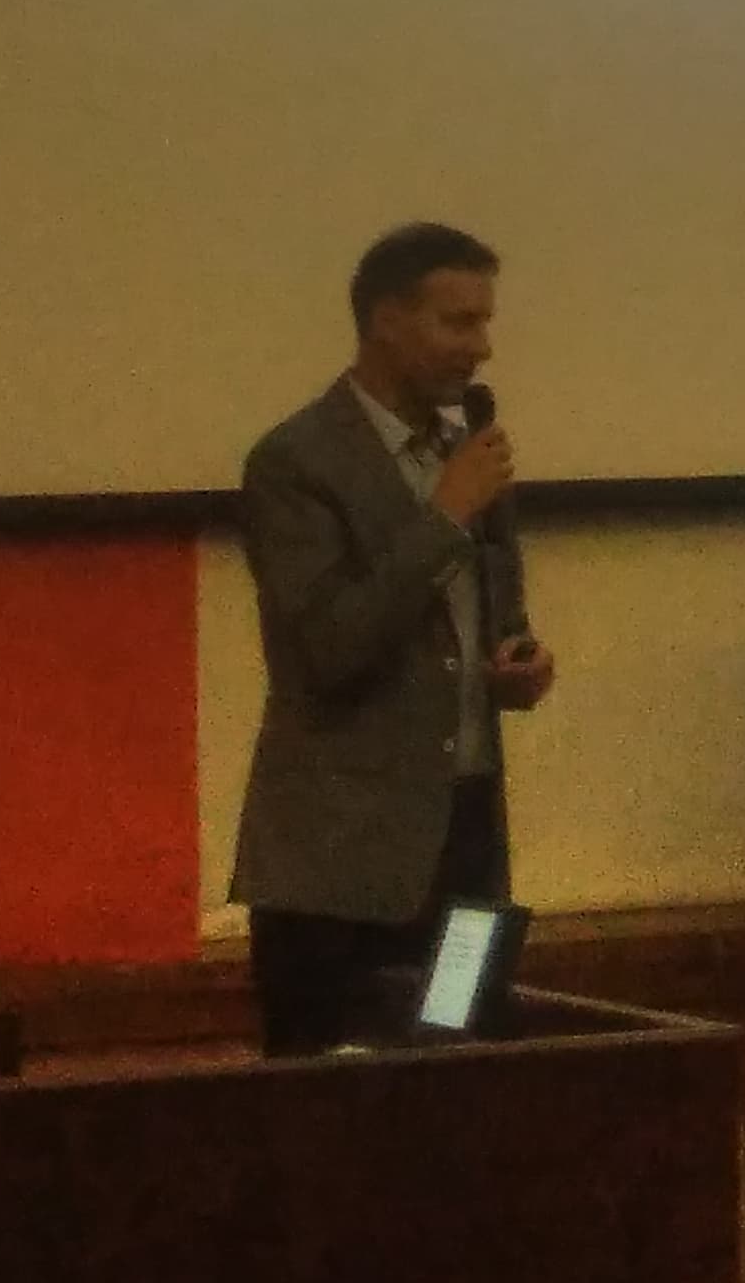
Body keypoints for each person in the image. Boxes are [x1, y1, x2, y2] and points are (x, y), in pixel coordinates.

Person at [232, 221, 557, 1053]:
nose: (481, 348)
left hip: (469, 844)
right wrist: (444, 515)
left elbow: (492, 618)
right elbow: (326, 650)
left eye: (486, 323)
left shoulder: (470, 455)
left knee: (462, 1075)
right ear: (385, 320)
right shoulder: (295, 463)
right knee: (335, 1096)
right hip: (339, 867)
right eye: (458, 323)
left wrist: (515, 663)